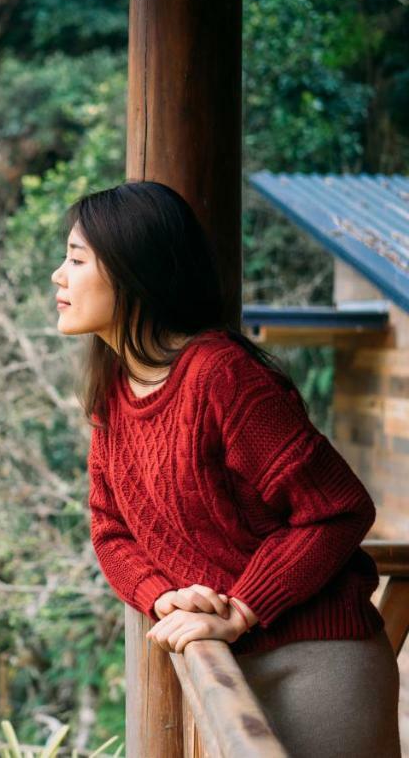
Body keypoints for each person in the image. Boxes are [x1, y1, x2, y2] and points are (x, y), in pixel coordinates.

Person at [51, 180, 400, 757]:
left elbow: (338, 511)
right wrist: (163, 597)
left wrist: (241, 608)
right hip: (221, 661)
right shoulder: (114, 391)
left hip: (313, 663)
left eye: (76, 260)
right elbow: (109, 526)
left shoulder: (222, 376)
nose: (59, 277)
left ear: (135, 271)